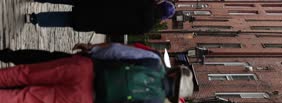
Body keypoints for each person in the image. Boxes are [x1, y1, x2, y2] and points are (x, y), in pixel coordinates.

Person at [0, 43, 193, 103]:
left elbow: (115, 51)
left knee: (26, 73)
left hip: (85, 69)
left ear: (174, 72)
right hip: (86, 102)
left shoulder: (154, 61)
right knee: (24, 99)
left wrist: (93, 51)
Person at [25, 0, 176, 34]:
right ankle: (35, 19)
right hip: (100, 21)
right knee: (67, 19)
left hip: (99, 3)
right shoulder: (146, 27)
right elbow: (119, 32)